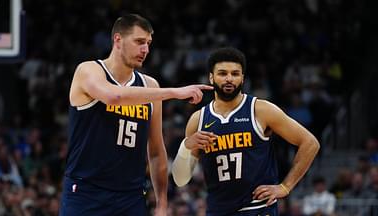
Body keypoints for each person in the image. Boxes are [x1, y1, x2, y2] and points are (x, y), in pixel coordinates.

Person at [59, 13, 212, 216]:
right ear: (118, 40)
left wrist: (162, 204)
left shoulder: (150, 86)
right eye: (139, 42)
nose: (145, 49)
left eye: (148, 43)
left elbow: (156, 152)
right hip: (86, 193)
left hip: (130, 197)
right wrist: (174, 92)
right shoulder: (88, 70)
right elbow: (114, 97)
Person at [171, 47, 320, 216]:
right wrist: (186, 145)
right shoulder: (198, 120)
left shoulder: (261, 110)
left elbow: (310, 143)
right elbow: (180, 179)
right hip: (218, 210)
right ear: (211, 77)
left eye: (235, 74)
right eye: (222, 73)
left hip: (258, 209)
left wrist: (285, 187)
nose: (229, 79)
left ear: (242, 78)